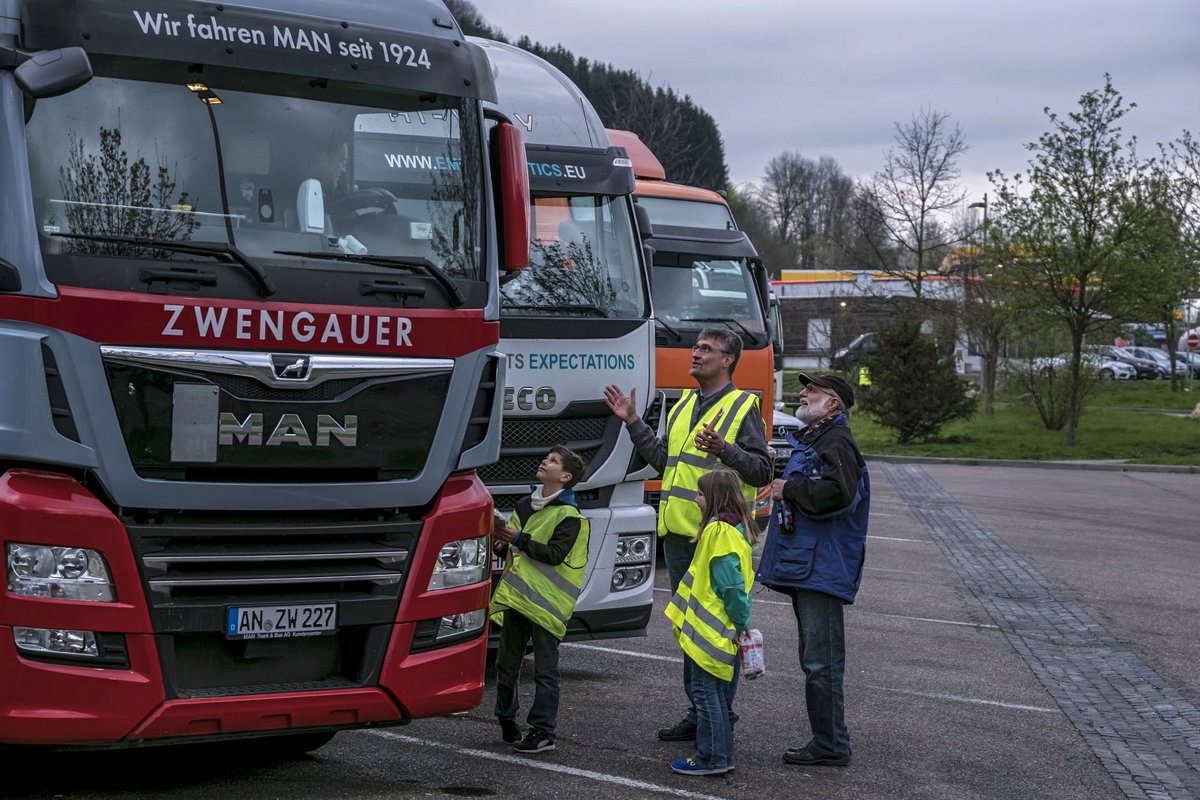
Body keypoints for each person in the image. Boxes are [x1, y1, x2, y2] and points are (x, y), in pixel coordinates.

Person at [604, 327, 772, 743]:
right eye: (695, 347)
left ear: (728, 359)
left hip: (717, 539)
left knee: (717, 630)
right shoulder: (683, 405)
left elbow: (762, 471)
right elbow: (664, 460)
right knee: (692, 631)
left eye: (706, 349)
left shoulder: (741, 405)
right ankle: (701, 712)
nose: (695, 354)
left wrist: (724, 450)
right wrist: (633, 422)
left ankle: (719, 717)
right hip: (680, 537)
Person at [757, 373, 870, 767]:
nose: (802, 394)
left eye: (812, 391)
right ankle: (829, 740)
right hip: (808, 565)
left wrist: (789, 489)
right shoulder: (817, 439)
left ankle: (831, 744)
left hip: (821, 568)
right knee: (815, 658)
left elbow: (839, 494)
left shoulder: (836, 441)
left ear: (833, 403)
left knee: (822, 661)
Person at [490, 445, 590, 754]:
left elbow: (555, 556)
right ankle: (507, 719)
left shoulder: (571, 516)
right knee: (506, 664)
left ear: (565, 476)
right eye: (546, 458)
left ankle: (543, 731)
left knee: (546, 671)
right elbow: (512, 549)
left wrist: (517, 539)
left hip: (547, 605)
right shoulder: (524, 505)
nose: (544, 462)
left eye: (553, 461)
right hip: (519, 598)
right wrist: (501, 545)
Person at [664, 468, 756, 776]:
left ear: (714, 499)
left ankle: (712, 757)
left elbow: (729, 586)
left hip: (711, 632)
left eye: (701, 494)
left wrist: (741, 621)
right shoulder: (735, 530)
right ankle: (721, 756)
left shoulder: (719, 533)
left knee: (706, 694)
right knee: (715, 694)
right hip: (721, 630)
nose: (695, 499)